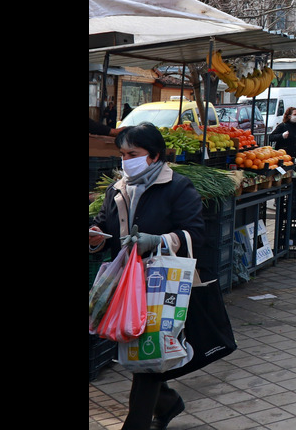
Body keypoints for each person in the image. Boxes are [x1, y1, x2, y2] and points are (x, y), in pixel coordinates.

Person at [88, 124, 210, 430]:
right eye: (123, 154)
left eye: (133, 154)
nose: (126, 160)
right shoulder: (117, 190)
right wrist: (95, 238)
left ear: (154, 156)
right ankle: (168, 402)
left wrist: (158, 240)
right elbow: (104, 227)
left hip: (161, 284)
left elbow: (195, 233)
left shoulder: (178, 187)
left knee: (147, 355)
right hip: (126, 285)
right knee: (138, 352)